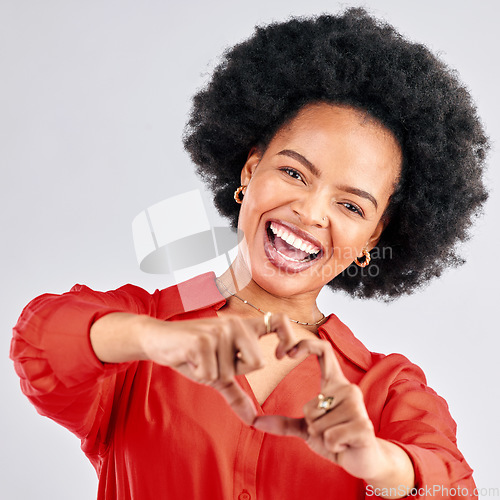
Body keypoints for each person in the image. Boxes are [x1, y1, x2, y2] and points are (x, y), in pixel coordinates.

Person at [11, 7, 488, 500]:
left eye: (349, 204)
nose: (309, 211)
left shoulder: (388, 390)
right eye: (294, 173)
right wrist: (150, 339)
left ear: (372, 238)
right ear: (249, 171)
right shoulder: (142, 329)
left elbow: (453, 484)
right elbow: (42, 343)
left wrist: (380, 462)